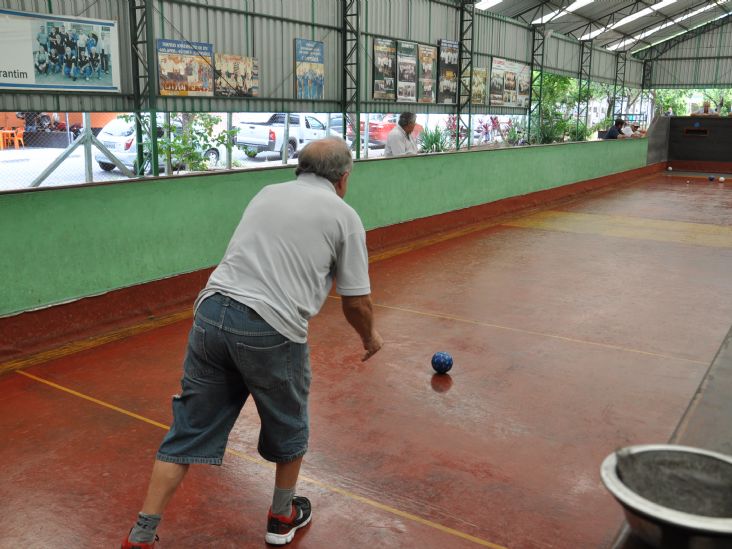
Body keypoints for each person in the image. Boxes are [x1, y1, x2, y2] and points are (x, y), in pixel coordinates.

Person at [120, 137, 383, 549]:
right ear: (343, 177)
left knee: (187, 431)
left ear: (300, 168)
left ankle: (141, 533)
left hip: (211, 314)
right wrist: (370, 336)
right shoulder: (344, 216)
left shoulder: (267, 192)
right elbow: (356, 300)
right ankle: (281, 516)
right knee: (289, 424)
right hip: (270, 328)